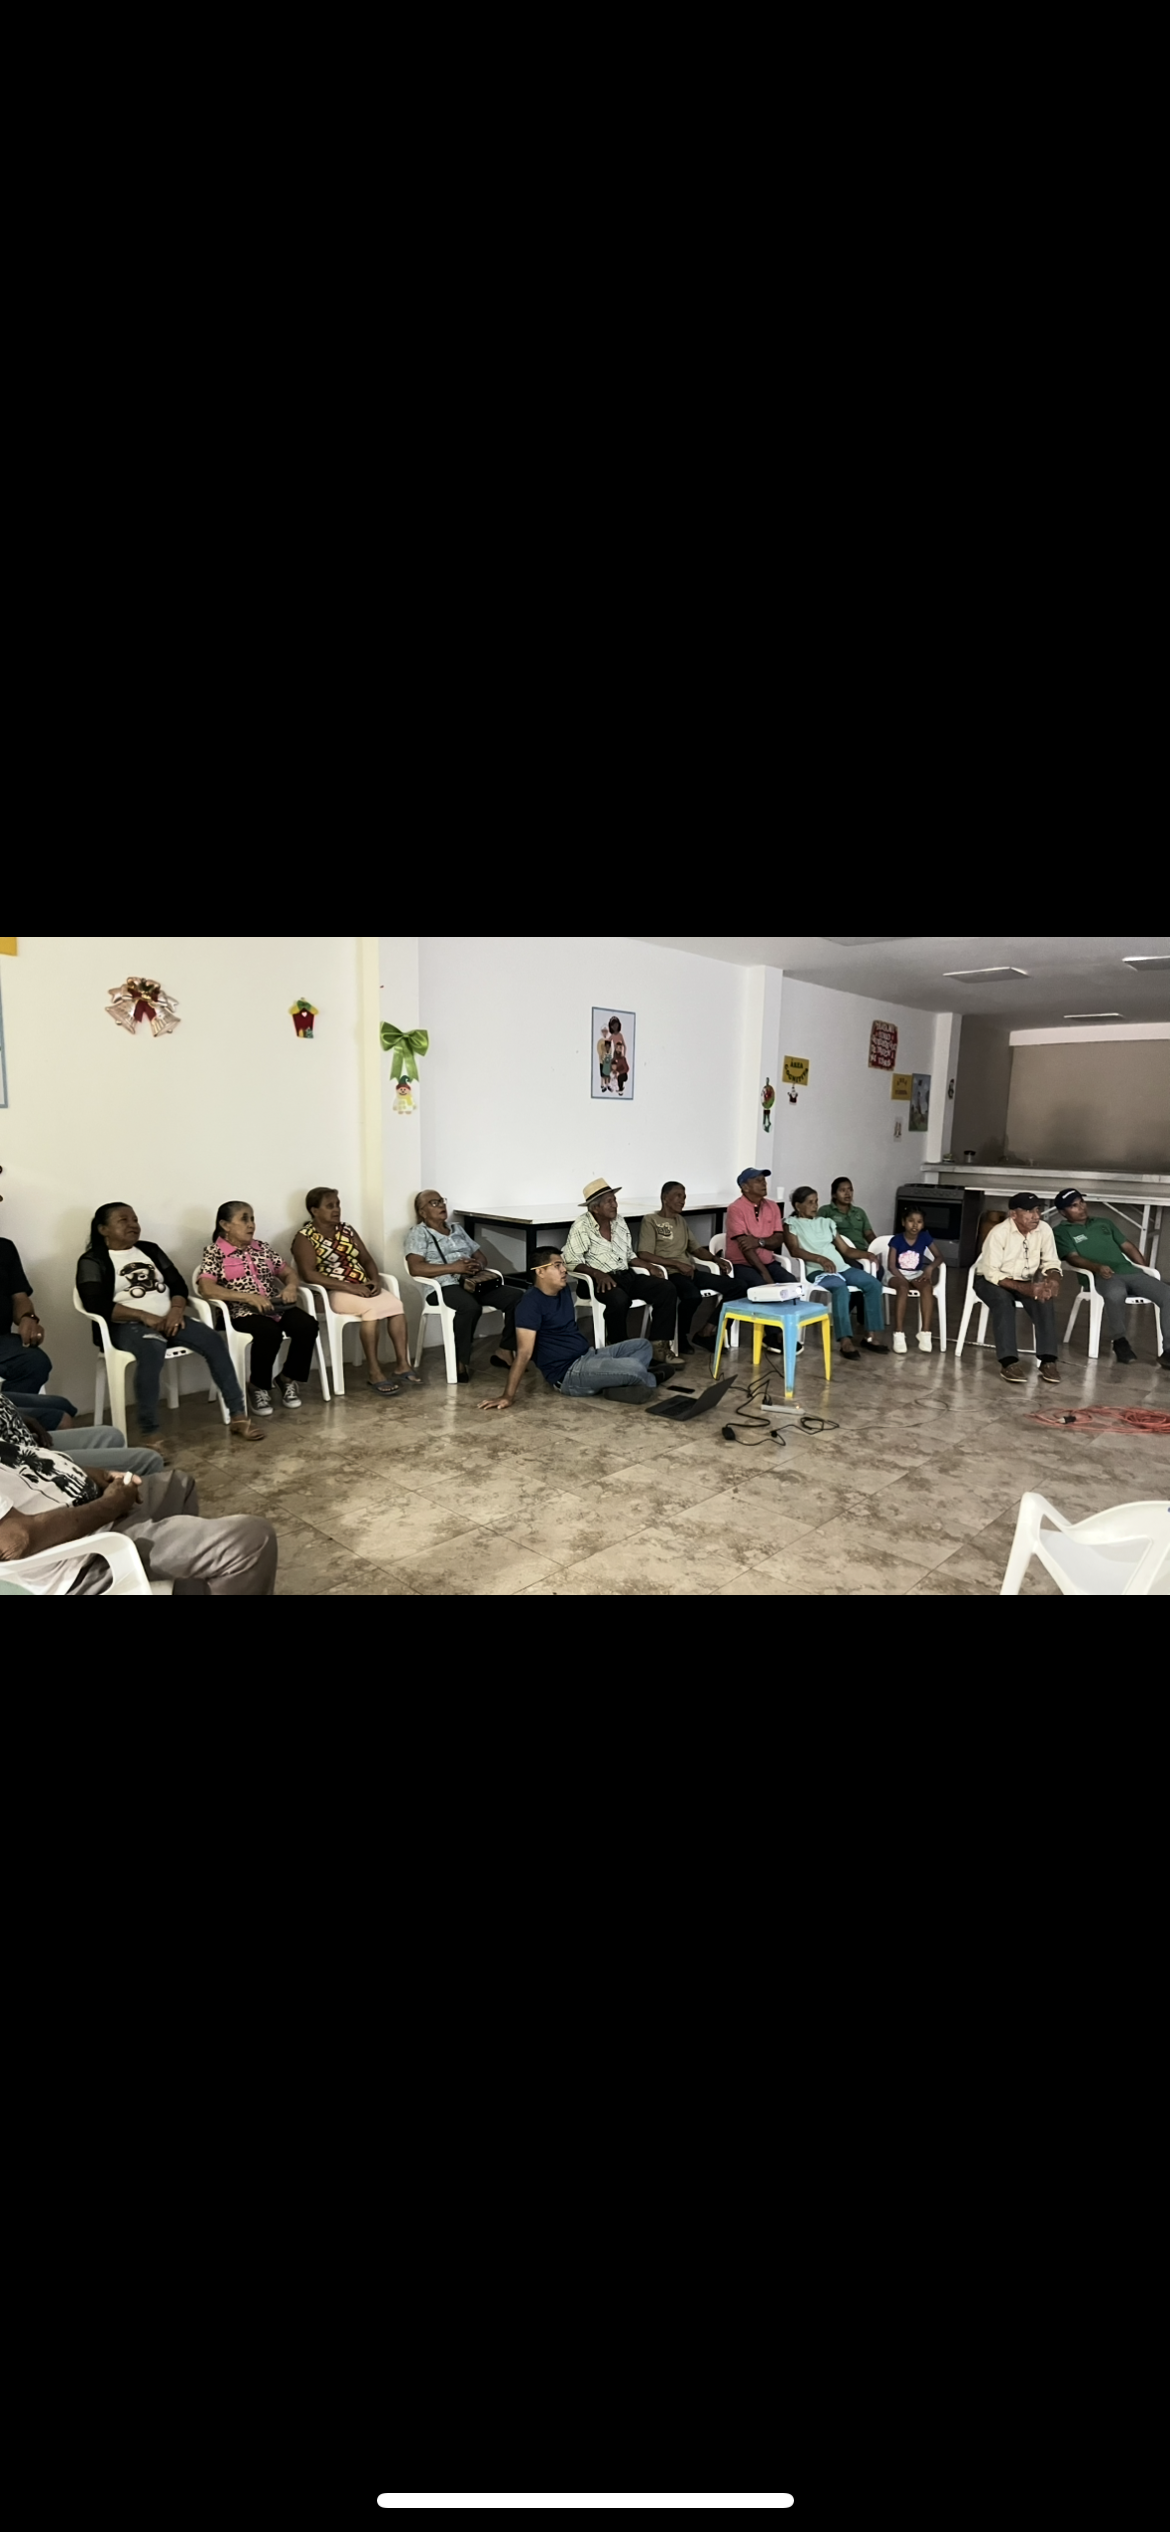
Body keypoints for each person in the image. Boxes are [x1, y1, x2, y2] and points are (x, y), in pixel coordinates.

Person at [0, 1388, 277, 1594]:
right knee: (251, 1541)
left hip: (90, 1509)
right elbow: (15, 1541)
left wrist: (92, 1474)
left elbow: (28, 1462)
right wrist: (111, 1506)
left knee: (179, 1484)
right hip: (84, 1556)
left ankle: (185, 1578)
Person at [77, 1204, 264, 1441]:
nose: (133, 1225)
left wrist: (176, 1311)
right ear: (103, 1229)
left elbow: (178, 1286)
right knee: (152, 1347)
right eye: (123, 1220)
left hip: (170, 1318)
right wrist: (144, 1316)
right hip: (125, 1326)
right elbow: (95, 1304)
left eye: (135, 1219)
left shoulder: (150, 1250)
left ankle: (238, 1416)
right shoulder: (93, 1260)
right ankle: (150, 1432)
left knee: (212, 1340)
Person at [479, 1250, 660, 1408]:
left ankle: (615, 1385)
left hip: (587, 1355)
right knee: (634, 1367)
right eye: (557, 1266)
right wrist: (507, 1396)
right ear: (540, 1272)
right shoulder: (529, 1305)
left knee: (642, 1346)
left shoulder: (563, 1290)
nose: (564, 1270)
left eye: (563, 1265)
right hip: (569, 1374)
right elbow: (524, 1354)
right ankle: (649, 1379)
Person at [292, 1188, 421, 1399]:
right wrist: (350, 1288)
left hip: (361, 1286)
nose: (336, 1210)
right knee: (371, 1310)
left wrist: (375, 1280)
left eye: (338, 1204)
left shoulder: (347, 1230)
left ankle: (402, 1365)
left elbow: (366, 1259)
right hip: (331, 1292)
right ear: (314, 1210)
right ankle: (374, 1372)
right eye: (330, 1206)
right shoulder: (305, 1237)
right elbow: (308, 1274)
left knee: (396, 1306)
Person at [196, 1202, 318, 1416]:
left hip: (274, 1305)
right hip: (239, 1311)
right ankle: (258, 1386)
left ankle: (287, 1378)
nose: (251, 1224)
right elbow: (207, 1288)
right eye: (244, 1219)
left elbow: (288, 1272)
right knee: (269, 1333)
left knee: (307, 1325)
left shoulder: (262, 1248)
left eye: (252, 1218)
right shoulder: (215, 1252)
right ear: (225, 1224)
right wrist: (247, 1297)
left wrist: (290, 1286)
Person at [405, 1192, 527, 1383]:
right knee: (469, 1307)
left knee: (517, 1297)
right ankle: (459, 1361)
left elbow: (481, 1257)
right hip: (442, 1286)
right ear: (422, 1212)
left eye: (441, 1201)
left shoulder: (457, 1229)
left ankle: (505, 1350)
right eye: (434, 1203)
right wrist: (454, 1268)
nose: (441, 1206)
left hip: (471, 1282)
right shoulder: (419, 1233)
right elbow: (415, 1268)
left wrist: (477, 1265)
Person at [1052, 1188, 1170, 1369]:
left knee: (1167, 1294)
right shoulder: (1061, 1231)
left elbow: (1127, 1246)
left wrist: (1144, 1268)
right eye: (1074, 1206)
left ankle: (1168, 1351)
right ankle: (1120, 1340)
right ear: (1062, 1212)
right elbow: (1072, 1258)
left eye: (1082, 1202)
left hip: (1129, 1271)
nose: (1081, 1208)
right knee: (1116, 1293)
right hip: (1100, 1276)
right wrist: (1097, 1267)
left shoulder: (1104, 1223)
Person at [561, 1180, 680, 1361]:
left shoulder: (619, 1221)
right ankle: (619, 1347)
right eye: (609, 1201)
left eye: (614, 1200)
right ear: (595, 1208)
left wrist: (649, 1266)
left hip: (625, 1275)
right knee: (619, 1300)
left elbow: (629, 1255)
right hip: (595, 1281)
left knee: (666, 1288)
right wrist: (598, 1274)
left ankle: (658, 1346)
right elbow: (571, 1261)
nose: (615, 1205)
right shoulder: (581, 1226)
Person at [0, 1158, 78, 1422]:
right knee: (60, 1410)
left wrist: (27, 1318)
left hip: (2, 1341)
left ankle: (11, 1422)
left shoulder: (4, 1248)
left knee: (35, 1361)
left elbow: (20, 1296)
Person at [783, 1187, 890, 1360]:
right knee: (841, 1288)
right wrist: (820, 1259)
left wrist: (867, 1254)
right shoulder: (791, 1224)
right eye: (810, 1202)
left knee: (873, 1284)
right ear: (798, 1206)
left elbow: (846, 1250)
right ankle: (845, 1340)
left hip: (841, 1267)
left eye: (816, 1201)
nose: (815, 1206)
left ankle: (870, 1336)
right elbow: (794, 1250)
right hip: (817, 1270)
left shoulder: (826, 1222)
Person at [973, 1194, 1064, 1385]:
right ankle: (1009, 1363)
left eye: (1038, 1210)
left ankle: (1048, 1361)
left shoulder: (1044, 1229)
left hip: (1024, 1280)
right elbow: (991, 1273)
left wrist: (1053, 1279)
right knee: (1003, 1303)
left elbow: (1051, 1261)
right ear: (1013, 1214)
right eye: (1029, 1211)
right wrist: (1025, 1288)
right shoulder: (999, 1233)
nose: (1036, 1216)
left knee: (1044, 1299)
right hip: (991, 1281)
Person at [636, 1181, 733, 1353]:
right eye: (678, 1196)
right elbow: (644, 1254)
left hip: (690, 1271)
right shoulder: (651, 1220)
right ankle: (681, 1337)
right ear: (665, 1198)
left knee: (738, 1287)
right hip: (670, 1273)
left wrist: (715, 1259)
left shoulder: (680, 1221)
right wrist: (676, 1264)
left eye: (684, 1197)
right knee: (692, 1296)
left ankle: (707, 1332)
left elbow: (696, 1249)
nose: (682, 1201)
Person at [885, 1206, 940, 1354]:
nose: (915, 1225)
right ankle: (898, 1334)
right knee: (903, 1288)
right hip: (896, 1274)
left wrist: (929, 1268)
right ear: (903, 1222)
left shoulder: (925, 1237)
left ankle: (925, 1333)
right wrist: (903, 1279)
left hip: (915, 1273)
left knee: (927, 1288)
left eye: (919, 1222)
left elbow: (939, 1257)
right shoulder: (896, 1239)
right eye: (911, 1221)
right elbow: (891, 1266)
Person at [822, 1177, 877, 1259]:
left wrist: (878, 1247)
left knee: (879, 1266)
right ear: (834, 1195)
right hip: (839, 1253)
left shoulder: (859, 1212)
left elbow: (869, 1234)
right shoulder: (826, 1211)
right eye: (843, 1190)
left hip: (861, 1252)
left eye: (850, 1190)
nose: (847, 1193)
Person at [608, 1019, 630, 1096]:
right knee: (613, 1070)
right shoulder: (612, 1036)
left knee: (619, 1069)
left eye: (616, 1025)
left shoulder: (620, 1035)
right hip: (615, 1054)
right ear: (611, 1027)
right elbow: (607, 1042)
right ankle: (612, 1086)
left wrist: (624, 1054)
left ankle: (619, 1087)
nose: (615, 1027)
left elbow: (624, 1045)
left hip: (620, 1053)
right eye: (613, 1026)